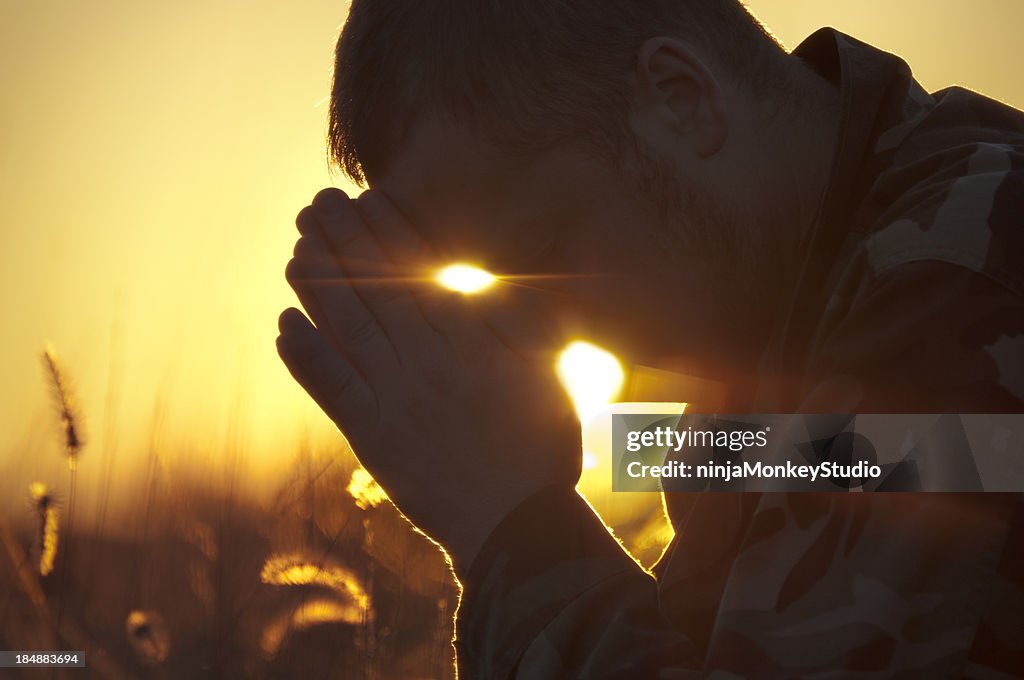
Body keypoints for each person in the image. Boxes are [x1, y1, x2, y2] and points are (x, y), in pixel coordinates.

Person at [276, 1, 1024, 677]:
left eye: (546, 247)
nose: (544, 338)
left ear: (681, 98)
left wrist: (509, 525)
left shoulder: (960, 278)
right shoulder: (770, 360)